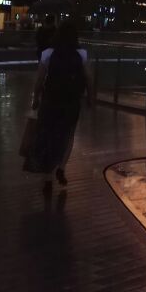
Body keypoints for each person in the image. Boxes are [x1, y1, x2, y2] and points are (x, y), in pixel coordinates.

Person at [27, 20, 93, 190]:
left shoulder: (48, 54)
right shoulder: (82, 54)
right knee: (68, 134)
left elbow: (39, 80)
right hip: (72, 101)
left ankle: (47, 175)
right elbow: (89, 78)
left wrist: (35, 98)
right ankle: (61, 167)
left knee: (48, 133)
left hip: (50, 100)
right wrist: (90, 98)